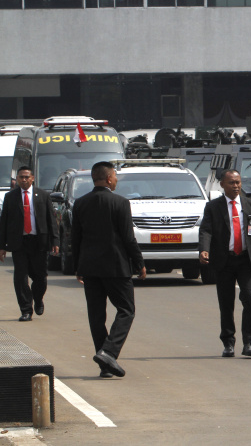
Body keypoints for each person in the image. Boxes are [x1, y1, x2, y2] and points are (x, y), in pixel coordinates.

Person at [73, 161, 146, 378]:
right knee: (126, 310)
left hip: (90, 268)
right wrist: (139, 263)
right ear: (107, 178)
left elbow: (76, 238)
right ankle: (109, 352)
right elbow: (128, 237)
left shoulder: (80, 203)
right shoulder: (120, 203)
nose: (116, 180)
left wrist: (78, 266)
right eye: (115, 176)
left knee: (96, 316)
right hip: (116, 267)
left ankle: (104, 364)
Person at [199, 170, 251, 358]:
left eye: (238, 182)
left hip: (247, 260)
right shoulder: (213, 207)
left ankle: (249, 343)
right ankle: (228, 343)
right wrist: (204, 249)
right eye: (231, 183)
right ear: (222, 184)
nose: (236, 186)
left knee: (249, 298)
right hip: (224, 260)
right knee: (226, 303)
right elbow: (206, 230)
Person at [0, 166, 59, 322]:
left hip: (39, 242)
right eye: (21, 177)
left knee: (40, 277)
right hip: (18, 242)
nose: (24, 180)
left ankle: (38, 299)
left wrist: (55, 240)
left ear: (32, 178)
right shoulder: (10, 197)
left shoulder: (43, 195)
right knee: (20, 277)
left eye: (27, 177)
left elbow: (51, 220)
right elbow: (4, 221)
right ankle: (26, 309)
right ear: (17, 179)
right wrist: (2, 246)